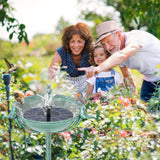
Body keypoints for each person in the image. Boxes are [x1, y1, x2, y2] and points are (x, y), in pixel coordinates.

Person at [78, 20, 160, 102]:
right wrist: (133, 98)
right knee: (145, 110)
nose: (107, 47)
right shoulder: (117, 51)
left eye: (108, 41)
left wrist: (98, 69)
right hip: (150, 80)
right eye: (104, 44)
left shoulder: (135, 37)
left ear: (118, 34)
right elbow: (127, 76)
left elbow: (123, 55)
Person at [48, 22, 93, 94]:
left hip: (87, 87)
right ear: (67, 42)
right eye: (72, 41)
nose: (76, 45)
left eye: (79, 41)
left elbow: (103, 66)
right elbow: (51, 74)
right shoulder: (61, 52)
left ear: (86, 42)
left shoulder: (91, 49)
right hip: (66, 87)